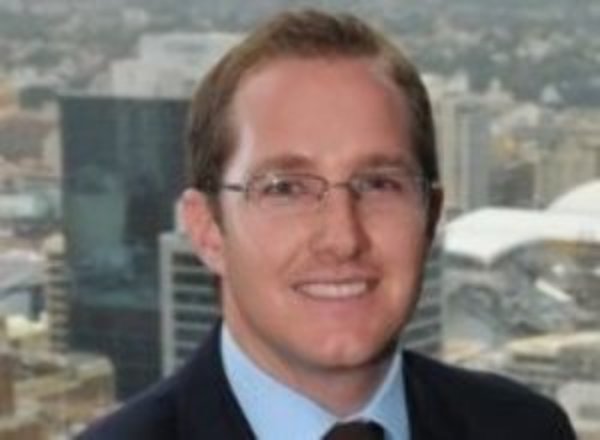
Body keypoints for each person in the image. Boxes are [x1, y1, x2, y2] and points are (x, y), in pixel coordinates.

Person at [79, 9, 576, 440]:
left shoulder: (526, 431)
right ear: (208, 229)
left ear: (430, 216)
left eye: (379, 184)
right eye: (285, 189)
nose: (342, 238)